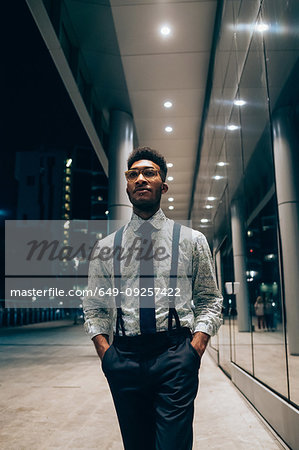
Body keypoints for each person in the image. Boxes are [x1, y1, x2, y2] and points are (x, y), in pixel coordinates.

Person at [83, 147, 223, 450]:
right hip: (125, 357)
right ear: (127, 186)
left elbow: (210, 299)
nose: (141, 179)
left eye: (150, 173)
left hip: (175, 355)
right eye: (133, 174)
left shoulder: (191, 240)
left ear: (163, 185)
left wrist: (194, 348)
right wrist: (106, 355)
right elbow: (94, 307)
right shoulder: (106, 247)